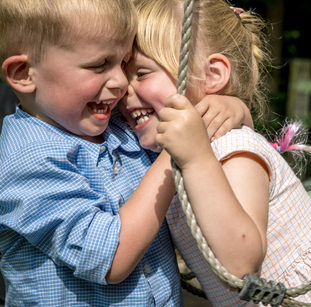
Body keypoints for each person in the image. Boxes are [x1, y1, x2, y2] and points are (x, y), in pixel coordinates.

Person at [120, 0, 311, 306]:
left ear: (214, 74)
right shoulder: (180, 155)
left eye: (142, 73)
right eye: (123, 73)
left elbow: (242, 266)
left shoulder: (233, 149)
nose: (123, 88)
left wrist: (197, 157)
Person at [0, 0, 252, 305]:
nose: (121, 83)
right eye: (99, 65)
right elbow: (112, 258)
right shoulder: (26, 161)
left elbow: (199, 127)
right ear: (24, 73)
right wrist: (176, 151)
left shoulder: (117, 127)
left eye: (123, 63)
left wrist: (233, 108)